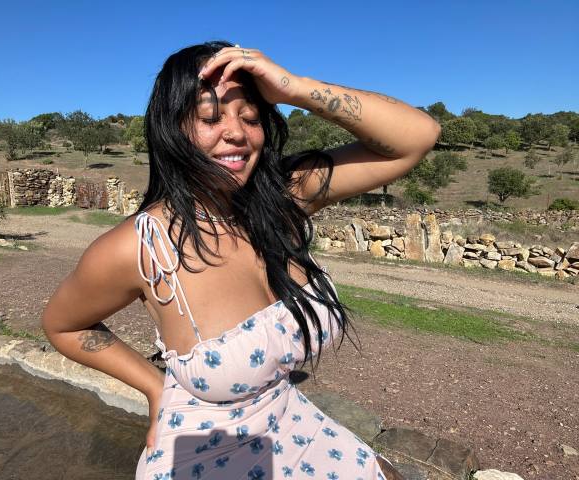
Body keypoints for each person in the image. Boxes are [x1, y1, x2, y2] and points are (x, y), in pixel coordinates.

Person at [41, 40, 440, 479]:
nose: (237, 133)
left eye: (250, 117)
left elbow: (416, 137)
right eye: (210, 118)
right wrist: (155, 388)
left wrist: (294, 88)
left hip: (294, 421)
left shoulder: (285, 199)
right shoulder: (140, 247)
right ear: (172, 129)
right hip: (204, 454)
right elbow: (64, 326)